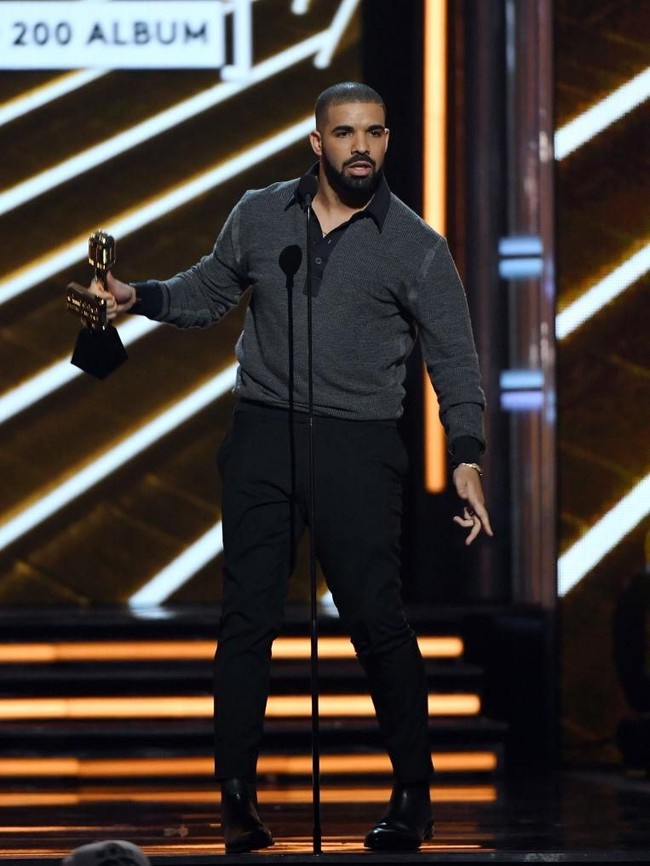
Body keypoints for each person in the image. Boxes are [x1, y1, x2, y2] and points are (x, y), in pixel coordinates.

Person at [91, 81, 492, 853]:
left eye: (374, 132)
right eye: (345, 133)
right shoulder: (260, 213)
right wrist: (137, 296)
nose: (361, 147)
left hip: (359, 446)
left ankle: (414, 795)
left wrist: (467, 455)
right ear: (318, 143)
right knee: (247, 618)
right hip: (263, 436)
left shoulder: (416, 245)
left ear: (387, 140)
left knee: (375, 619)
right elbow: (208, 290)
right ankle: (237, 798)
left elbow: (455, 358)